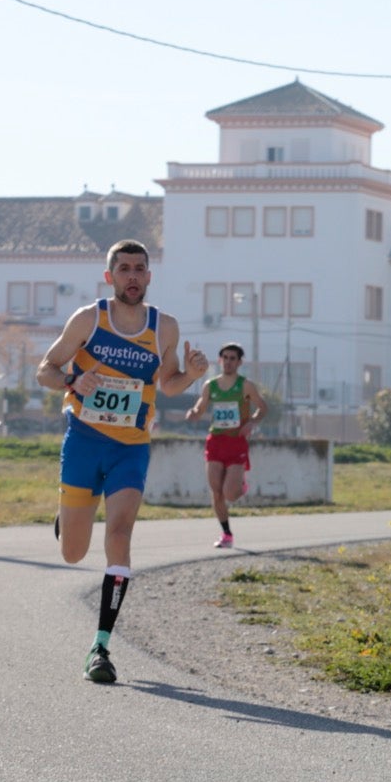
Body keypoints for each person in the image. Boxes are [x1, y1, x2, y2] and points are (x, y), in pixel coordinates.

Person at [36, 239, 208, 684]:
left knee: (120, 532)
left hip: (131, 445)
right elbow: (45, 369)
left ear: (150, 277)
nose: (133, 276)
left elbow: (167, 385)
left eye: (140, 268)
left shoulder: (164, 327)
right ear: (109, 276)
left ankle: (101, 647)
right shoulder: (89, 319)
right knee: (73, 553)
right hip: (84, 440)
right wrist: (74, 377)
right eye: (124, 268)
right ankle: (68, 515)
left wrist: (190, 374)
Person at [185, 342, 267, 548]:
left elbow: (262, 408)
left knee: (230, 493)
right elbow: (200, 406)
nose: (228, 362)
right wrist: (194, 413)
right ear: (220, 360)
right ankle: (226, 534)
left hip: (236, 443)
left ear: (239, 362)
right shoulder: (210, 385)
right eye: (225, 358)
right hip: (215, 441)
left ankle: (241, 485)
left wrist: (252, 423)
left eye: (233, 358)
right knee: (216, 490)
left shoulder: (245, 385)